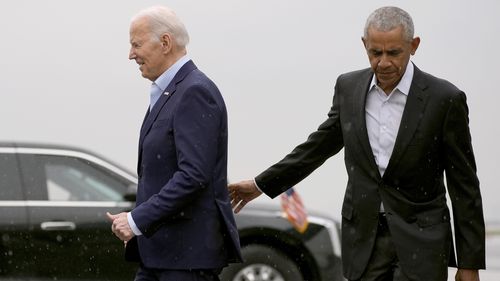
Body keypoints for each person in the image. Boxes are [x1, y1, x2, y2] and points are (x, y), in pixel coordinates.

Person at [229, 6, 484, 281]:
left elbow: (464, 186)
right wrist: (260, 184)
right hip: (364, 241)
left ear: (414, 45)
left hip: (422, 241)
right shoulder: (348, 88)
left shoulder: (444, 98)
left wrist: (469, 264)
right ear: (365, 45)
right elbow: (316, 148)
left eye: (393, 53)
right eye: (375, 53)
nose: (383, 63)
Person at [107, 5, 242, 281]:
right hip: (161, 256)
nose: (131, 54)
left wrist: (136, 220)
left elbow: (193, 176)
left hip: (185, 260)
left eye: (136, 44)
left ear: (165, 43)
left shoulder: (194, 91)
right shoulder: (171, 91)